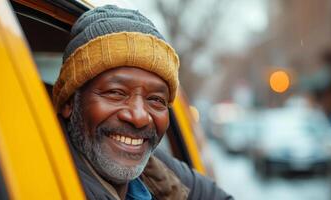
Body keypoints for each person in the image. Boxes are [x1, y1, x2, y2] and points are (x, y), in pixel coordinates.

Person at [53, 5, 233, 200]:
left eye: (156, 99)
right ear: (69, 102)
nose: (139, 117)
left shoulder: (155, 170)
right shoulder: (44, 174)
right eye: (116, 92)